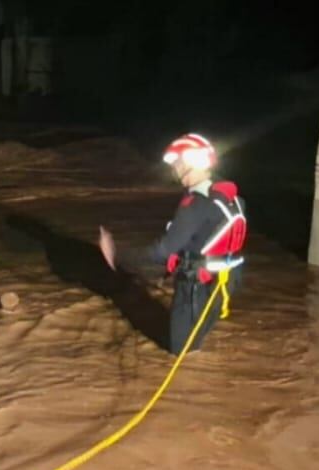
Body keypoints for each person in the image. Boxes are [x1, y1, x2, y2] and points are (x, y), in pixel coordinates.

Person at [98, 133, 247, 354]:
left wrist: (116, 255)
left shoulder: (195, 203)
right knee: (196, 341)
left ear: (189, 163)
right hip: (226, 280)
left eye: (177, 163)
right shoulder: (230, 196)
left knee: (182, 351)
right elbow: (208, 238)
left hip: (198, 283)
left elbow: (162, 251)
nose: (175, 170)